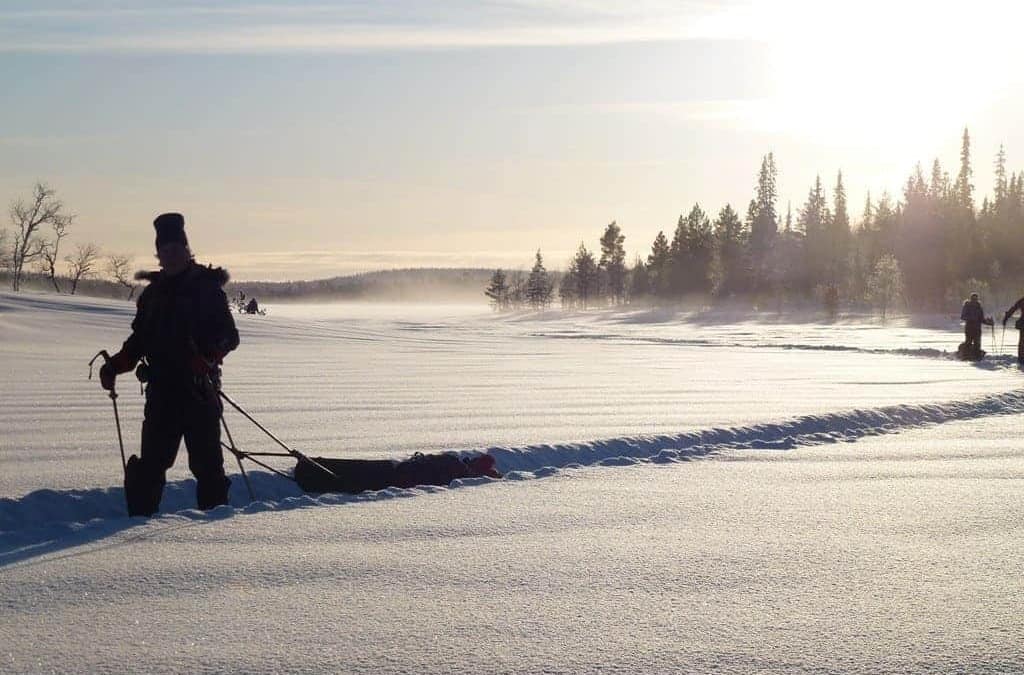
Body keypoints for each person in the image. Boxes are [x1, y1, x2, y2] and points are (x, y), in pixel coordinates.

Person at [98, 213, 240, 516]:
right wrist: (115, 366)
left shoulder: (207, 289)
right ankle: (137, 524)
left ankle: (218, 533)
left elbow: (230, 336)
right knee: (151, 466)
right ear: (159, 255)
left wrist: (208, 358)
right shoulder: (152, 296)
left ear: (187, 251)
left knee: (208, 467)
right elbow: (138, 342)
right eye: (165, 250)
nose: (171, 254)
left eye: (177, 248)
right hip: (161, 392)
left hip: (199, 392)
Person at [960, 292, 993, 357]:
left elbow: (982, 319)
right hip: (969, 328)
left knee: (977, 344)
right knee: (968, 342)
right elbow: (963, 316)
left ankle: (977, 356)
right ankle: (965, 355)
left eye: (976, 299)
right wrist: (971, 318)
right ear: (971, 299)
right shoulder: (967, 306)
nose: (974, 300)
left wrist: (989, 322)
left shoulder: (979, 307)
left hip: (977, 329)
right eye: (973, 299)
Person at [1002, 296, 1024, 365]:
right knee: (1022, 342)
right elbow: (1013, 308)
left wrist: (1006, 317)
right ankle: (1021, 359)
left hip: (1023, 323)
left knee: (1022, 342)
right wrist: (1006, 317)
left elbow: (1013, 308)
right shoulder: (1022, 300)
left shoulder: (1022, 300)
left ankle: (1021, 358)